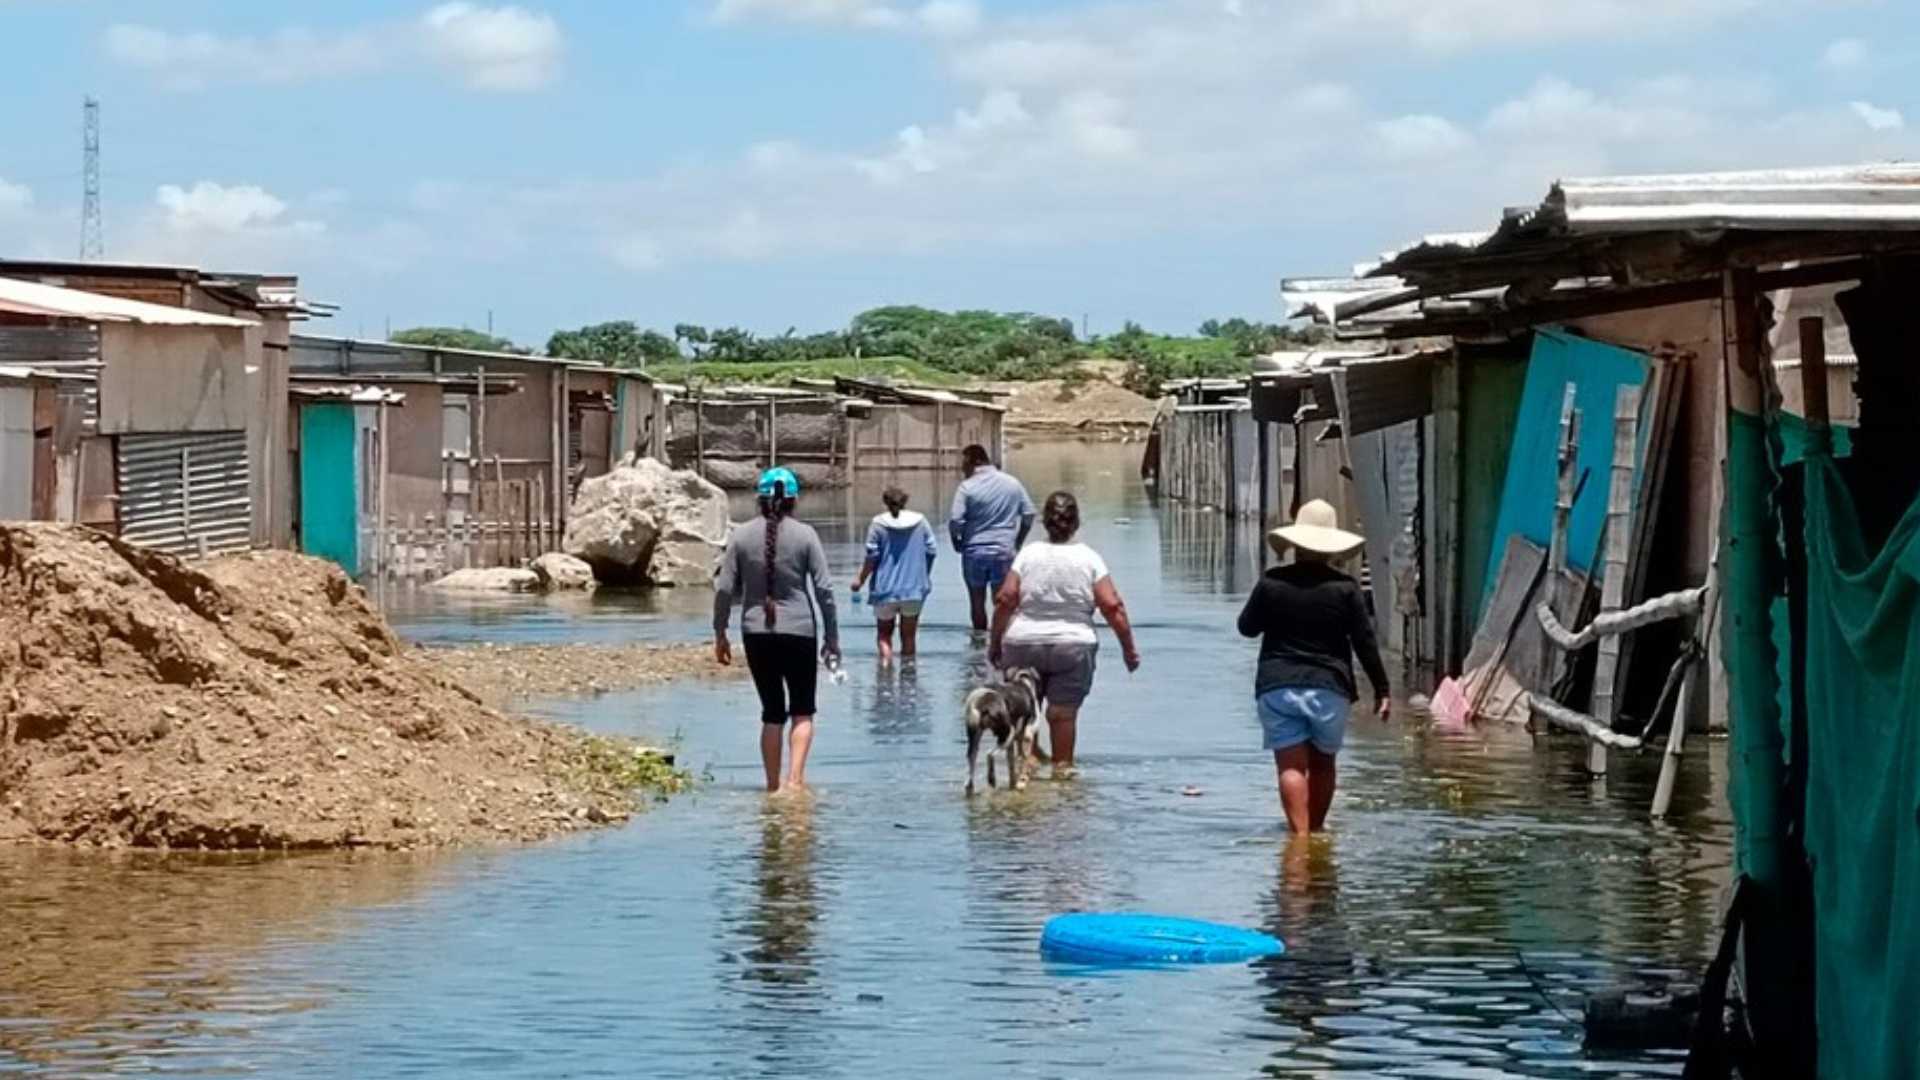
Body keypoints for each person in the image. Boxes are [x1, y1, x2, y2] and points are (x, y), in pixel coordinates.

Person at [1236, 499, 1390, 834]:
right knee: (1323, 764)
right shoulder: (1346, 589)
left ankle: (1300, 838)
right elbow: (1364, 641)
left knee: (1290, 766)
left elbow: (1246, 628)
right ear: (1331, 548)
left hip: (1277, 686)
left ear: (1295, 543)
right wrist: (1382, 689)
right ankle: (1317, 833)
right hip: (1329, 688)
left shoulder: (1271, 582)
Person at [989, 491, 1140, 776]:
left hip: (1023, 643)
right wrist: (1128, 650)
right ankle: (1062, 776)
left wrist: (994, 643)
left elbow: (1006, 599)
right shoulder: (1089, 558)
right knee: (1062, 714)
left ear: (1044, 522)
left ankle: (1026, 774)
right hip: (1073, 646)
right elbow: (1112, 605)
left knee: (1023, 712)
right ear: (1077, 523)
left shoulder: (1028, 555)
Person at [714, 467, 841, 794]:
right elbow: (825, 591)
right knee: (802, 710)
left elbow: (724, 589)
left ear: (760, 499)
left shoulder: (740, 536)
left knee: (772, 712)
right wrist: (832, 638)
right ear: (793, 501)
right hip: (800, 632)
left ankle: (772, 788)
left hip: (756, 633)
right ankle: (795, 783)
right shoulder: (806, 535)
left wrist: (720, 632)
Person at [949, 445, 1035, 633]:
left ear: (974, 461)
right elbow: (1029, 514)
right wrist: (1018, 541)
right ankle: (1002, 645)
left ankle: (979, 647)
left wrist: (956, 541)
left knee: (976, 602)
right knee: (1003, 603)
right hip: (1004, 551)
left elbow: (955, 520)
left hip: (974, 551)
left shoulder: (967, 487)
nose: (962, 468)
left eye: (964, 463)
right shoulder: (1012, 483)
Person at [850, 486, 937, 664]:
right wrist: (923, 575)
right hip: (914, 590)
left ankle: (885, 675)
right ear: (905, 501)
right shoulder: (920, 521)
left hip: (884, 590)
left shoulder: (878, 524)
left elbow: (872, 557)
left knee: (883, 635)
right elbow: (931, 550)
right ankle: (908, 680)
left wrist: (860, 579)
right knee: (909, 637)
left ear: (886, 503)